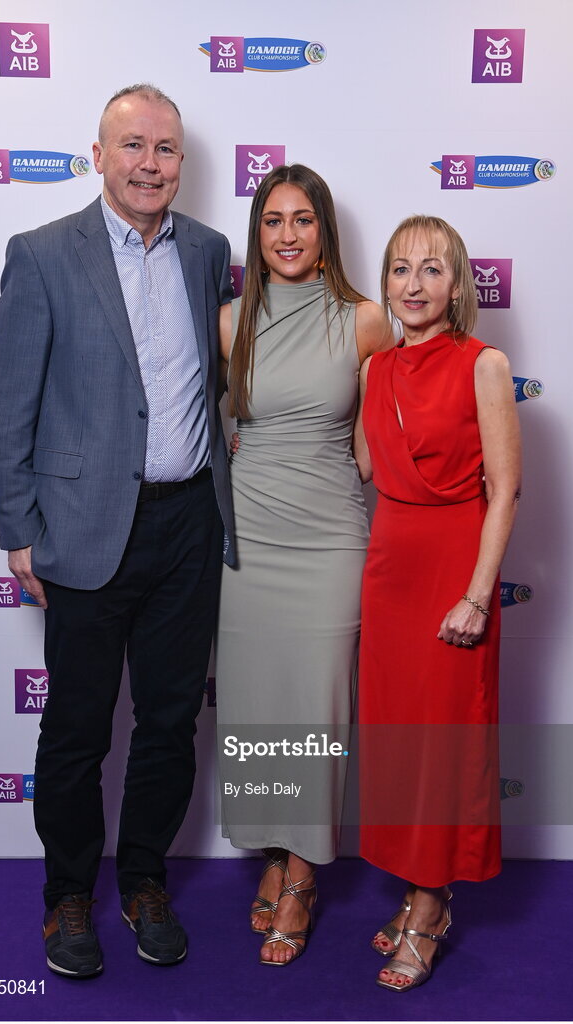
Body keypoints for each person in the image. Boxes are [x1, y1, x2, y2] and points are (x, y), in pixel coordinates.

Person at [0, 83, 235, 978]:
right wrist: (19, 525)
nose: (149, 164)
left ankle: (144, 881)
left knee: (169, 723)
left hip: (188, 526)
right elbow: (9, 397)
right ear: (98, 156)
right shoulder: (44, 253)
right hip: (86, 529)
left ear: (182, 163)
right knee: (80, 729)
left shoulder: (209, 252)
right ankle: (66, 897)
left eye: (165, 149)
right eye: (132, 146)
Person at [215, 164, 392, 965]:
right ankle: (270, 851)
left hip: (326, 540)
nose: (287, 234)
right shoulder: (228, 322)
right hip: (247, 539)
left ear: (325, 233)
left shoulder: (364, 320)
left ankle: (300, 875)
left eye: (304, 219)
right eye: (273, 220)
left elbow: (375, 444)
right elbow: (206, 427)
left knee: (315, 713)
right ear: (259, 235)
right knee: (258, 710)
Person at [354, 215, 521, 991]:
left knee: (444, 744)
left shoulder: (484, 364)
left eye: (431, 270)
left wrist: (478, 597)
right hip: (389, 568)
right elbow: (363, 460)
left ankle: (429, 904)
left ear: (458, 287)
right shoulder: (375, 370)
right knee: (398, 742)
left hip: (454, 570)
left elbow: (506, 487)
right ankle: (415, 884)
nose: (413, 286)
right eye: (399, 270)